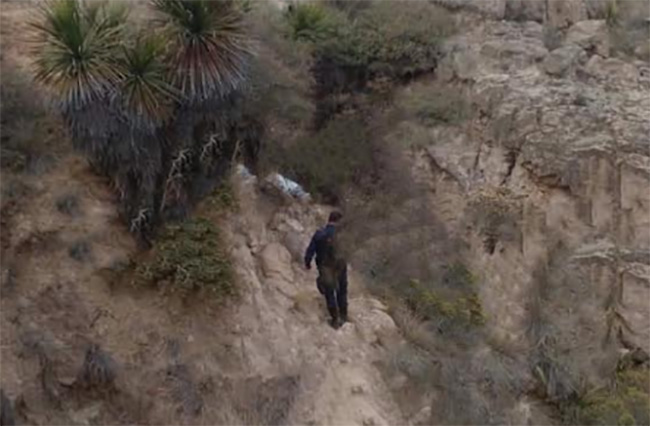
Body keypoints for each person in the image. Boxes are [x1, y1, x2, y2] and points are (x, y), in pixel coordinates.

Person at [304, 211, 348, 329]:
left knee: (329, 293)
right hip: (340, 265)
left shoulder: (320, 234)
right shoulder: (342, 236)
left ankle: (335, 319)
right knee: (342, 290)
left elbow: (310, 250)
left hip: (325, 266)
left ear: (329, 220)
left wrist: (307, 262)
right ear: (338, 221)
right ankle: (343, 316)